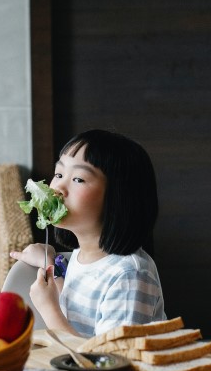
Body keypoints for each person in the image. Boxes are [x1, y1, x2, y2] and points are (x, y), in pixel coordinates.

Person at [10, 129, 166, 337]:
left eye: (78, 179)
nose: (58, 188)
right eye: (59, 174)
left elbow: (111, 362)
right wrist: (50, 264)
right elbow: (81, 309)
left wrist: (49, 309)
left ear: (118, 199)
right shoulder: (82, 255)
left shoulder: (130, 276)